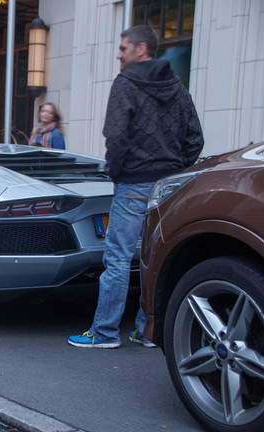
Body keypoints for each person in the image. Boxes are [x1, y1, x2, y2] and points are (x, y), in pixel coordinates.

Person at [68, 25, 204, 348]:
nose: (119, 54)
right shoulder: (177, 87)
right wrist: (175, 169)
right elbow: (195, 138)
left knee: (117, 258)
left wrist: (117, 172)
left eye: (123, 48)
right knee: (153, 258)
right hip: (169, 187)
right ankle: (146, 331)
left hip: (133, 182)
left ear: (141, 50)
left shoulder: (126, 83)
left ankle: (103, 332)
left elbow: (116, 136)